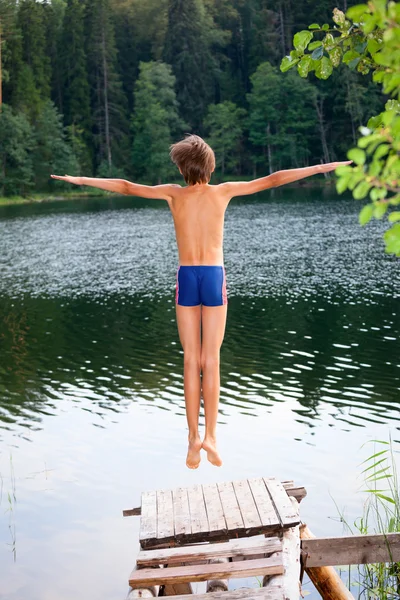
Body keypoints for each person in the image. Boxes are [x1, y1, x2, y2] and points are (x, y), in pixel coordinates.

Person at [51, 134, 351, 469]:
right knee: (212, 358)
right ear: (211, 167)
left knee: (191, 358)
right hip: (213, 277)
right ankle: (211, 437)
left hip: (186, 278)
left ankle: (192, 438)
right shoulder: (223, 192)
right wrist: (325, 166)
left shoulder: (172, 194)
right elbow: (275, 179)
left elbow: (124, 185)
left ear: (181, 167)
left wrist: (79, 179)